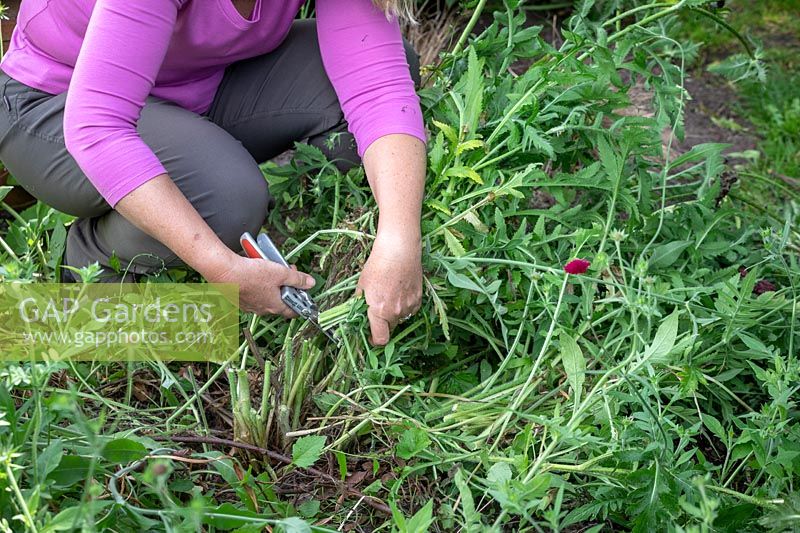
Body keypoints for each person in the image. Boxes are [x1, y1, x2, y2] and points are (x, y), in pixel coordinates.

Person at [0, 0, 428, 346]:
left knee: (380, 76)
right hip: (55, 99)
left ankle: (265, 238)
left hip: (195, 84)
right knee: (227, 197)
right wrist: (218, 266)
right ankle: (86, 292)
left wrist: (399, 236)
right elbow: (96, 126)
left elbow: (378, 86)